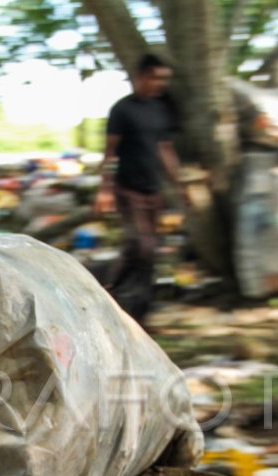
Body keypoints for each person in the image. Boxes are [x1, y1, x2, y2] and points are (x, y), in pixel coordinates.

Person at [92, 53, 188, 326]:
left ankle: (138, 314)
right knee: (140, 245)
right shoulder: (122, 110)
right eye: (155, 77)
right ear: (141, 77)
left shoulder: (160, 110)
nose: (159, 83)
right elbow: (110, 153)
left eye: (163, 79)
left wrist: (180, 185)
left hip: (153, 190)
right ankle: (106, 286)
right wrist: (104, 190)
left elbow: (165, 150)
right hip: (128, 190)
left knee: (149, 251)